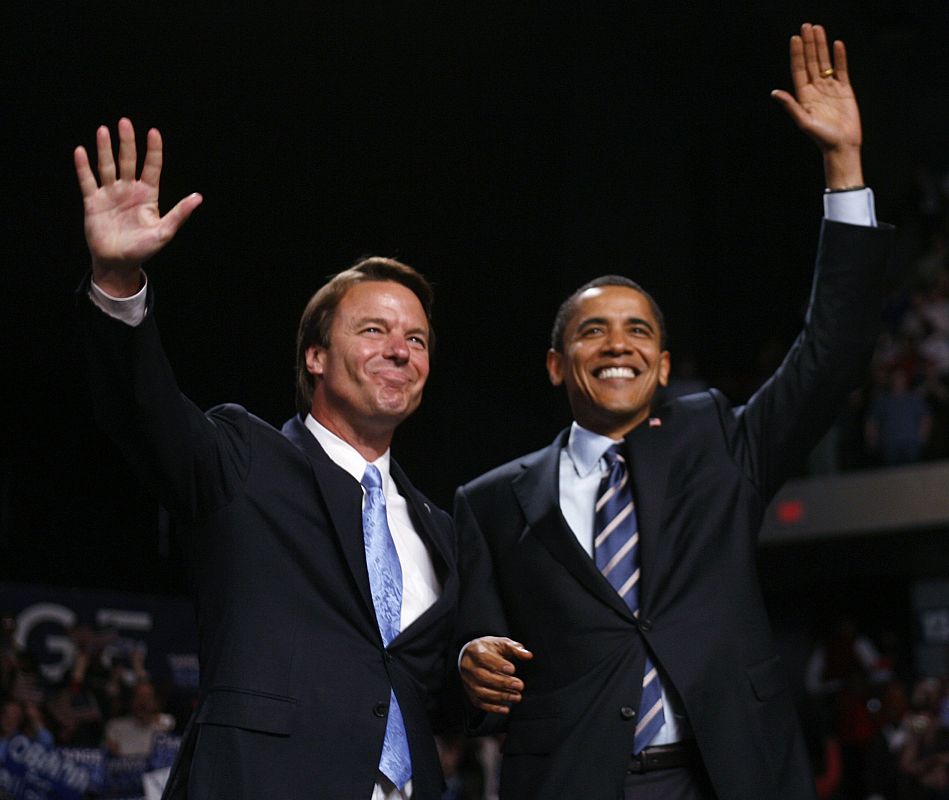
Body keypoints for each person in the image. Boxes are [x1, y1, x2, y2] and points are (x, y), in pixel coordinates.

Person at [455, 24, 893, 799]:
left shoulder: (718, 442)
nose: (615, 344)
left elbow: (831, 353)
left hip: (726, 776)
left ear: (661, 366)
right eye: (591, 330)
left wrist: (842, 165)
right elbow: (479, 657)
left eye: (638, 331)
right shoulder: (490, 503)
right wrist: (469, 661)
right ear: (558, 365)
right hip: (574, 782)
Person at [73, 120, 458, 799]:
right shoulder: (242, 458)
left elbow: (440, 699)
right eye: (374, 330)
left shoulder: (440, 528)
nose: (401, 350)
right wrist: (118, 278)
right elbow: (143, 413)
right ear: (315, 356)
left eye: (417, 339)